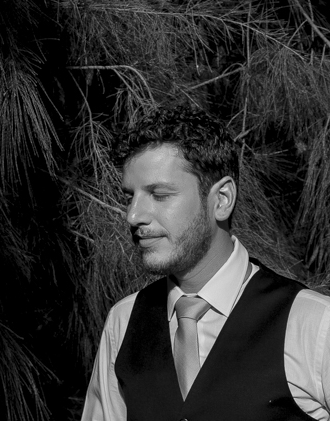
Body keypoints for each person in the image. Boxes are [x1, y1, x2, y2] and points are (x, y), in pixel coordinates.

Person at [81, 108, 330, 421]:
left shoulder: (314, 324)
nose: (133, 215)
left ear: (222, 199)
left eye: (159, 195)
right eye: (129, 197)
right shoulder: (123, 322)